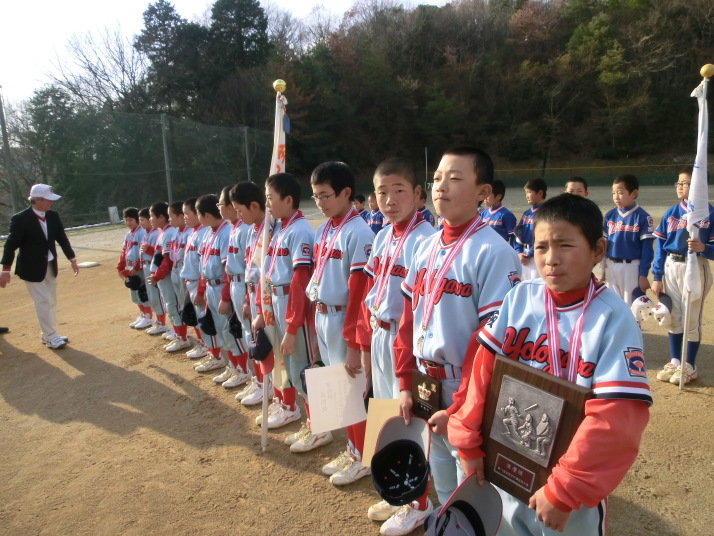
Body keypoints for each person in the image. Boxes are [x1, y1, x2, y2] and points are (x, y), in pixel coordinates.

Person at [449, 193, 652, 536]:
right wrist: (467, 439)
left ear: (598, 250)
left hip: (563, 491)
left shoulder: (613, 318)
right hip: (502, 465)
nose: (551, 259)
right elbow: (482, 373)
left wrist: (565, 488)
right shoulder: (519, 298)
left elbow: (616, 418)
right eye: (541, 247)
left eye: (565, 245)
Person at [394, 146, 521, 513]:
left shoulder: (493, 252)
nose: (440, 186)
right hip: (425, 383)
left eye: (454, 178)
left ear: (483, 191)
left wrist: (460, 406)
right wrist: (405, 383)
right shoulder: (425, 246)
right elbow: (407, 321)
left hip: (464, 391)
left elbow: (489, 344)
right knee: (443, 482)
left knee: (473, 490)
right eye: (436, 178)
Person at [357, 157, 436, 535]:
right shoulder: (383, 235)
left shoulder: (425, 240)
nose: (389, 200)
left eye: (399, 191)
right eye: (381, 192)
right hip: (380, 335)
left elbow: (415, 310)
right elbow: (371, 290)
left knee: (409, 421)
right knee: (386, 412)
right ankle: (401, 492)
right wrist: (364, 339)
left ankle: (419, 502)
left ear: (419, 194)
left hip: (406, 343)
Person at [307, 161, 375, 486]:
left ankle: (365, 457)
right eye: (315, 196)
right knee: (337, 390)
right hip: (322, 314)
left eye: (325, 195)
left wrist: (353, 342)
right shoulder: (324, 229)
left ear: (346, 192)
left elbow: (359, 293)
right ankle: (353, 448)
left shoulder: (359, 232)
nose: (320, 202)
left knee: (352, 392)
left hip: (343, 318)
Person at [253, 173, 327, 451]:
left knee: (305, 369)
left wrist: (293, 326)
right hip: (278, 301)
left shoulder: (300, 231)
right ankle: (311, 423)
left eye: (270, 198)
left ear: (287, 199)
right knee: (294, 370)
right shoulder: (281, 229)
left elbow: (300, 281)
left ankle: (321, 428)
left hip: (294, 307)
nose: (267, 204)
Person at [651, 166, 714, 385]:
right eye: (678, 183)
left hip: (695, 265)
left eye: (685, 183)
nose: (680, 187)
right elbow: (660, 247)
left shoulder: (709, 212)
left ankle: (689, 365)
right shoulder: (671, 213)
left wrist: (704, 248)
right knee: (674, 316)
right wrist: (656, 275)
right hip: (672, 265)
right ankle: (676, 360)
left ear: (699, 186)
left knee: (691, 318)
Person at [1, 183, 79, 349]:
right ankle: (51, 337)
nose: (51, 202)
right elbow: (10, 245)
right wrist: (5, 269)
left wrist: (72, 258)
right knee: (42, 301)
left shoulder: (53, 216)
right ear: (37, 200)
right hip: (30, 268)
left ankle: (48, 334)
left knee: (51, 301)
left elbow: (62, 238)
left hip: (50, 264)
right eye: (48, 200)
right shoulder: (20, 219)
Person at [230, 182, 269, 406]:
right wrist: (247, 299)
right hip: (252, 293)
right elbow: (249, 267)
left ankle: (270, 388)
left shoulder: (269, 229)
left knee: (267, 343)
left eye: (239, 210)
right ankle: (260, 381)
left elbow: (264, 271)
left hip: (267, 296)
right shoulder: (252, 231)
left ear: (254, 206)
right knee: (253, 339)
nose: (238, 215)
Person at [602, 174, 654, 305]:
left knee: (633, 307)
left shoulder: (642, 217)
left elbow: (647, 249)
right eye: (613, 193)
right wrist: (601, 269)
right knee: (612, 306)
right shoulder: (610, 215)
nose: (616, 197)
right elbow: (603, 244)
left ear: (634, 193)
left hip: (631, 267)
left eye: (620, 193)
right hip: (610, 265)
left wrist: (643, 275)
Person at [180, 198, 211, 360]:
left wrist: (200, 290)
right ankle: (203, 345)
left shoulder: (202, 234)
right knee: (196, 318)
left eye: (187, 213)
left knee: (205, 320)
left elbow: (202, 266)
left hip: (199, 284)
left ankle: (211, 351)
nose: (184, 217)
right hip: (190, 282)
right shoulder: (193, 233)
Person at [116, 207, 152, 329]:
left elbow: (142, 254)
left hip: (139, 268)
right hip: (130, 267)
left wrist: (136, 267)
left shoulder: (141, 233)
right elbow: (124, 251)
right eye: (126, 220)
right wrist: (120, 266)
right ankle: (142, 314)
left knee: (142, 292)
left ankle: (148, 317)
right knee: (134, 292)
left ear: (137, 219)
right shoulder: (128, 235)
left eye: (131, 220)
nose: (128, 223)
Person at [514, 178, 547, 281]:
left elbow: (544, 236)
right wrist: (519, 252)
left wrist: (529, 254)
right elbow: (518, 234)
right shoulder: (527, 213)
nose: (526, 196)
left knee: (538, 283)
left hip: (537, 253)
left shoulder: (546, 212)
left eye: (529, 192)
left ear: (540, 193)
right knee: (526, 283)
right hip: (524, 254)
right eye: (526, 192)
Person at [138, 207, 163, 333]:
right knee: (151, 295)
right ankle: (158, 321)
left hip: (153, 265)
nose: (141, 222)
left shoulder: (155, 234)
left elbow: (159, 254)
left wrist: (148, 249)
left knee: (157, 296)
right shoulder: (146, 233)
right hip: (146, 265)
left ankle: (162, 323)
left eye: (143, 220)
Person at [482, 179, 517, 244]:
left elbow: (514, 237)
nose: (485, 197)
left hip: (500, 249)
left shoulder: (507, 215)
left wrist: (515, 250)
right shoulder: (483, 214)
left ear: (498, 196)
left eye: (488, 194)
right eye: (484, 194)